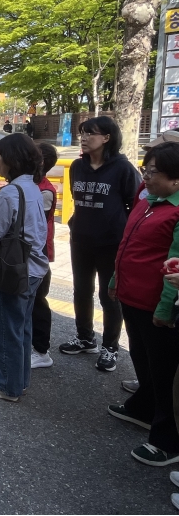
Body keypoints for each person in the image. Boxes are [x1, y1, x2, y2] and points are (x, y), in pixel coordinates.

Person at [106, 142, 179, 467]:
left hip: (155, 304)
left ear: (176, 180)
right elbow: (126, 245)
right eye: (145, 170)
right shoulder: (147, 201)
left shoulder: (176, 212)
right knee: (142, 357)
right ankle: (144, 407)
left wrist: (165, 309)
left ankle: (166, 439)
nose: (146, 178)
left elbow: (174, 266)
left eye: (154, 173)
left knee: (165, 373)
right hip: (131, 296)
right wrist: (114, 282)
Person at [58, 116, 139, 372]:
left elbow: (134, 204)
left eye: (90, 133)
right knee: (81, 291)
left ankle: (110, 347)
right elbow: (77, 197)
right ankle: (85, 337)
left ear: (107, 138)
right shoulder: (76, 167)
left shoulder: (123, 169)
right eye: (82, 133)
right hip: (81, 240)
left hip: (111, 243)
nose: (83, 138)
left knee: (109, 295)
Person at [0, 134, 48, 401]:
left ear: (12, 160)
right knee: (22, 327)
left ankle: (6, 384)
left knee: (5, 328)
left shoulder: (8, 194)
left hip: (12, 269)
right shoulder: (32, 188)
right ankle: (19, 379)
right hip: (34, 268)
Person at [31, 143, 59, 369]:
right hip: (29, 252)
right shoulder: (31, 185)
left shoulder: (44, 190)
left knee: (37, 300)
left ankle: (41, 350)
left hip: (37, 253)